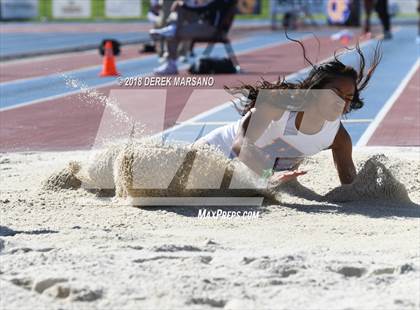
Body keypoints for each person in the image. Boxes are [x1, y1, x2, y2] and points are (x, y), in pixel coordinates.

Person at [195, 38, 382, 185]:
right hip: (212, 153)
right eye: (335, 93)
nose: (341, 102)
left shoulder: (338, 138)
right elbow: (240, 146)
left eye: (348, 98)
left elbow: (350, 187)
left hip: (245, 177)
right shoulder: (279, 107)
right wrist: (269, 178)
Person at [150, 0, 235, 74]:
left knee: (173, 33)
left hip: (211, 29)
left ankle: (171, 64)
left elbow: (205, 9)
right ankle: (172, 26)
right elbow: (205, 9)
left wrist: (185, 6)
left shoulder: (224, 1)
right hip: (205, 24)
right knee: (179, 8)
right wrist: (183, 5)